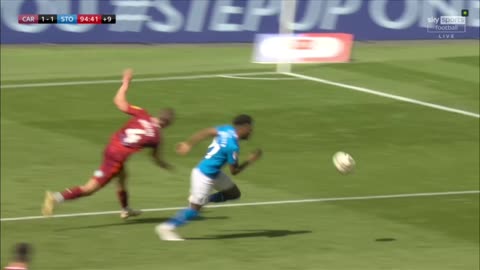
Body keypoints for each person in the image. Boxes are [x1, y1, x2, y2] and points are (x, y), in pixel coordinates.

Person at [42, 69, 175, 219]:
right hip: (115, 159)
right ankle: (55, 197)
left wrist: (125, 82)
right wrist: (165, 165)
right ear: (167, 124)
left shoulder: (142, 113)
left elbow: (119, 102)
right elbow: (155, 158)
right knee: (90, 188)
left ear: (158, 115)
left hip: (111, 146)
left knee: (123, 177)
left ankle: (125, 209)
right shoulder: (157, 138)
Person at [156, 114, 262, 241]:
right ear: (244, 127)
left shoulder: (226, 129)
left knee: (233, 193)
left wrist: (188, 144)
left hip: (214, 172)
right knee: (194, 210)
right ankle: (167, 227)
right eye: (250, 128)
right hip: (203, 176)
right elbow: (235, 171)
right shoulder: (232, 146)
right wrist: (250, 161)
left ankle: (205, 199)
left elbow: (205, 132)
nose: (251, 131)